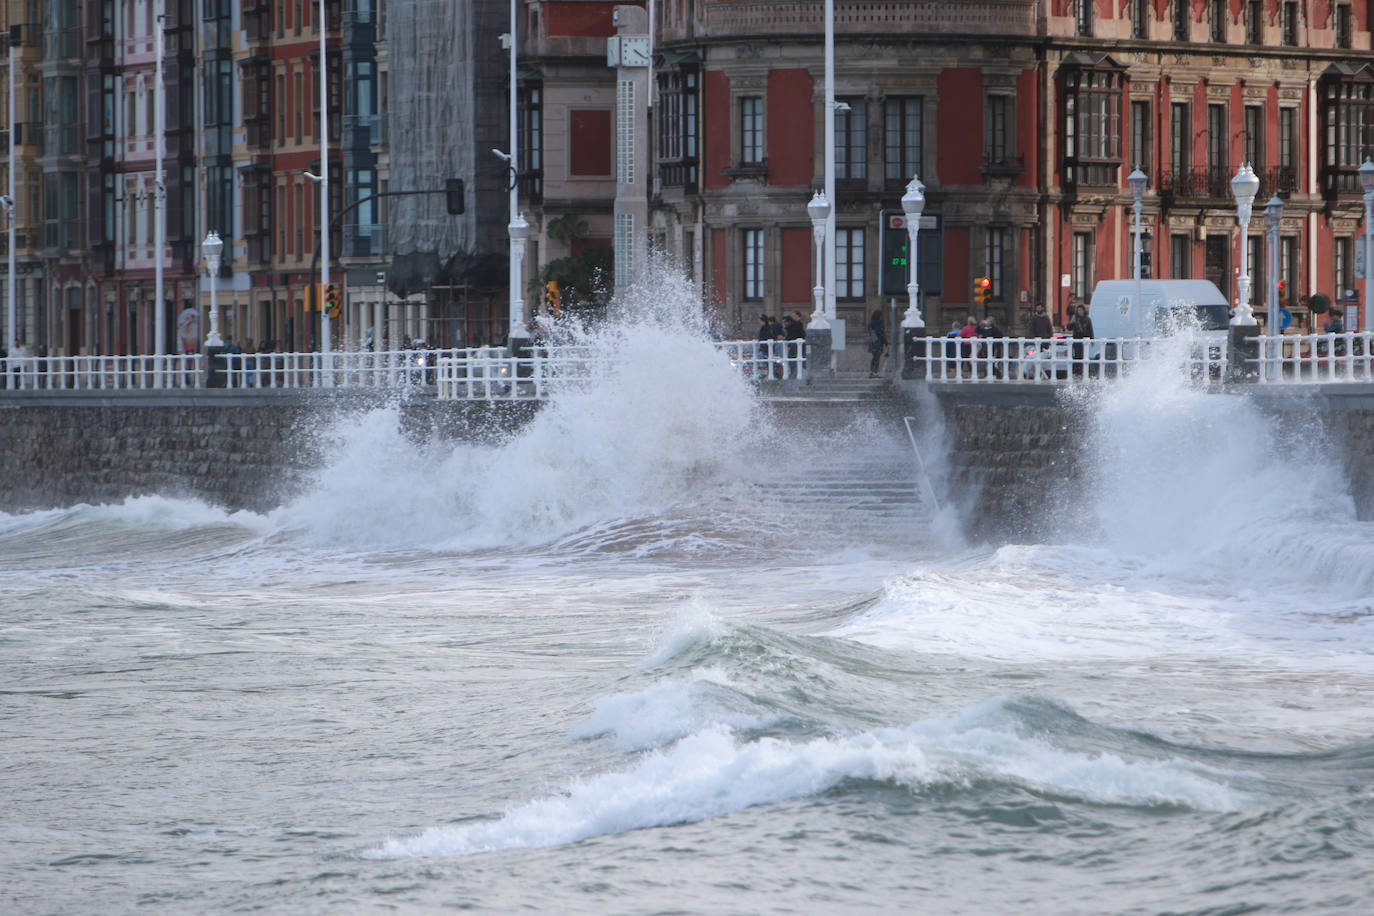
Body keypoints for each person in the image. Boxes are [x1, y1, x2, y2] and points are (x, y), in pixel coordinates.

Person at [1068, 303, 1094, 376]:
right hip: (1077, 340)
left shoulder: (1088, 319)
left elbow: (1090, 330)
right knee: (1077, 356)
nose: (1080, 311)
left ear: (1083, 311)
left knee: (1085, 356)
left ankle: (1084, 372)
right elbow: (1069, 328)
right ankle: (1077, 372)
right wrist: (1072, 322)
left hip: (1085, 340)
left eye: (1081, 310)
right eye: (1078, 310)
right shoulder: (1075, 319)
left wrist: (1092, 340)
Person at [866, 309, 888, 377]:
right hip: (878, 342)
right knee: (877, 358)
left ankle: (872, 371)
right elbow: (881, 333)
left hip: (872, 342)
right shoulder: (879, 323)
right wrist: (885, 342)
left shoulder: (870, 322)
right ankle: (875, 372)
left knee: (874, 357)